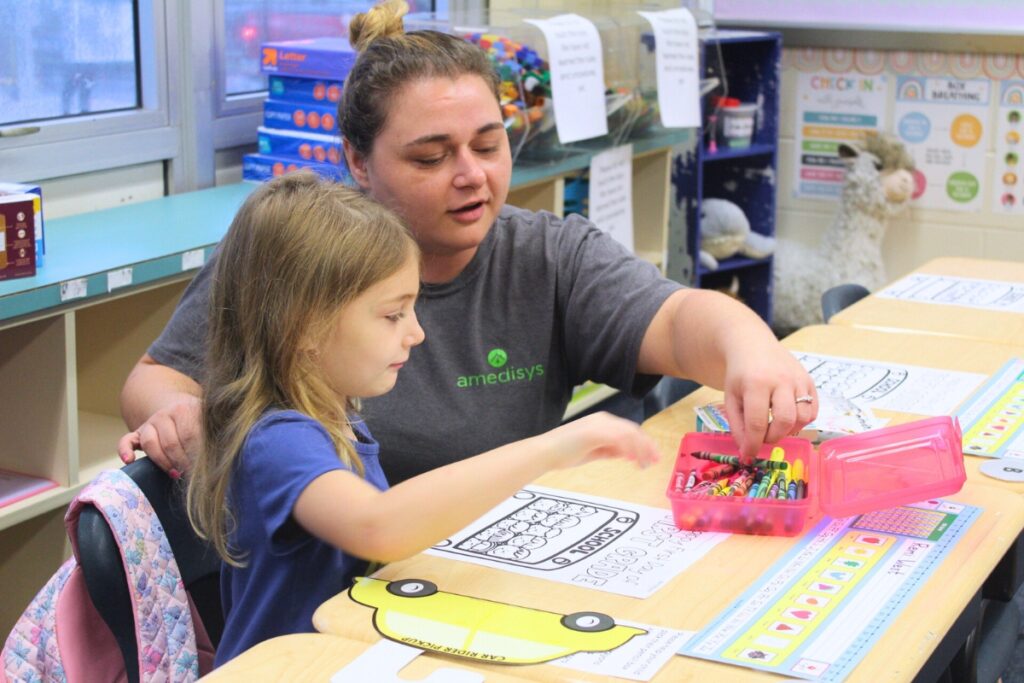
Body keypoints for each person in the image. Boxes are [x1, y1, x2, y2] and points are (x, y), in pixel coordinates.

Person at [118, 0, 817, 483]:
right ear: (359, 162)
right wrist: (179, 416)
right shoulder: (296, 256)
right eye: (430, 157)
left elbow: (681, 318)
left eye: (489, 145)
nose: (471, 177)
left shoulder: (548, 254)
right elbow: (154, 379)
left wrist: (751, 354)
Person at [181, 171, 659, 664]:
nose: (416, 334)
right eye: (393, 315)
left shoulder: (337, 415)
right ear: (305, 327)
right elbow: (378, 527)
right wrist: (549, 449)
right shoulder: (279, 440)